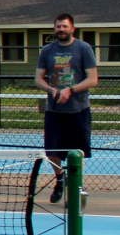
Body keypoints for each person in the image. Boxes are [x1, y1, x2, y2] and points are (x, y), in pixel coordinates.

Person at [34, 12, 98, 203]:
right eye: (58, 26)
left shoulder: (83, 48)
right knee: (53, 150)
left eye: (64, 26)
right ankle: (60, 180)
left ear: (72, 28)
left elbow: (93, 79)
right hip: (54, 110)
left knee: (77, 151)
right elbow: (38, 79)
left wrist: (71, 90)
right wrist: (52, 90)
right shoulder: (47, 50)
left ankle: (75, 185)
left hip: (79, 109)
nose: (61, 29)